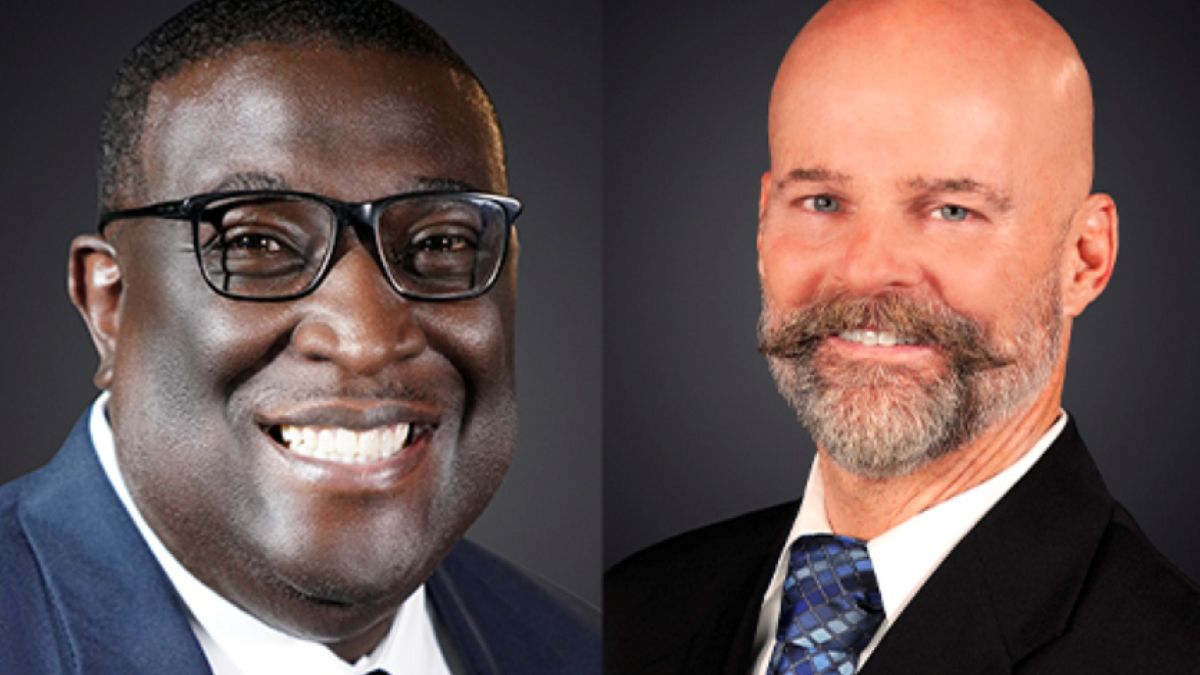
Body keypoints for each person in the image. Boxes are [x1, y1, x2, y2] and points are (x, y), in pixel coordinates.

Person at [0, 1, 598, 673]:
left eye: (440, 241)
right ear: (108, 304)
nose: (368, 339)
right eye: (256, 241)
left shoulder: (575, 646)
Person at [606, 0, 1200, 673]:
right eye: (823, 201)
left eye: (953, 209)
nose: (866, 269)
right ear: (764, 222)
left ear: (1085, 258)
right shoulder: (630, 610)